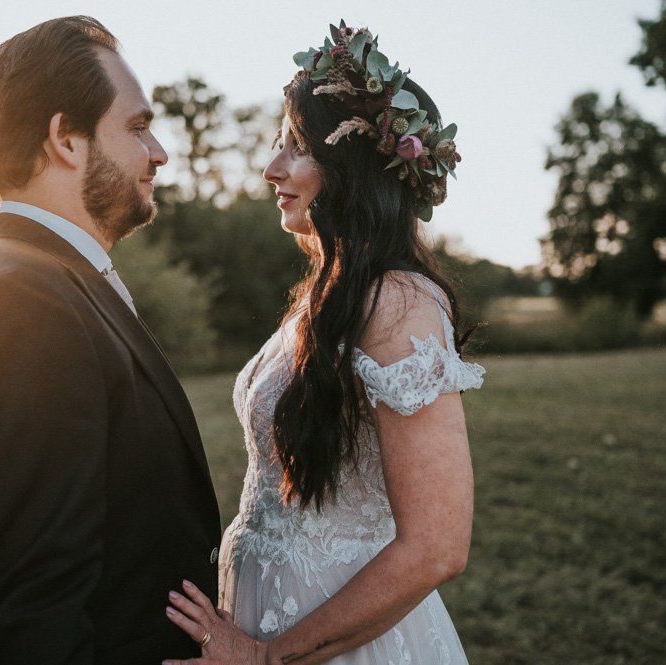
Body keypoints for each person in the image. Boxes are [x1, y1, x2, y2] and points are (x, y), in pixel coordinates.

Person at [165, 21, 485, 664]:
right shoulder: (327, 293)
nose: (271, 168)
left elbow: (438, 545)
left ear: (353, 168)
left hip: (338, 643)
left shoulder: (398, 302)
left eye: (297, 148)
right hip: (267, 616)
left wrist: (269, 656)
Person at [0, 16, 221, 664]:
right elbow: (32, 624)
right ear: (65, 138)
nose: (158, 152)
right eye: (137, 126)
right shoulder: (18, 309)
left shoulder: (41, 279)